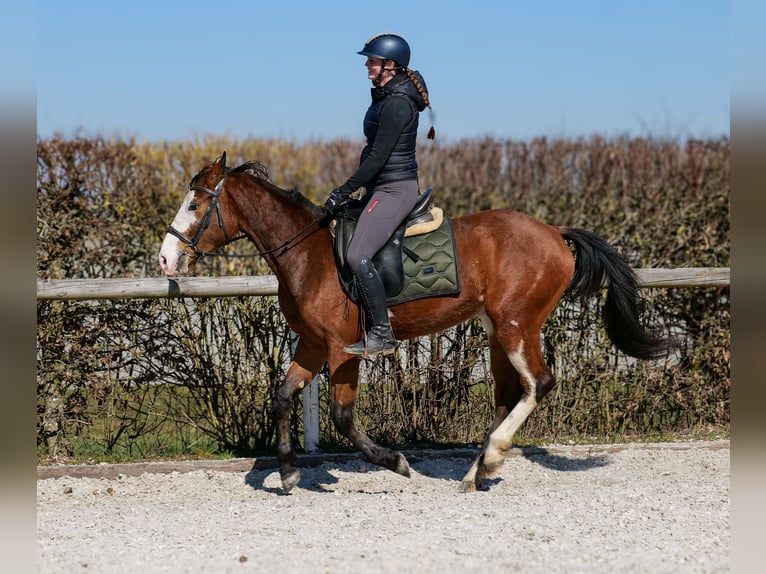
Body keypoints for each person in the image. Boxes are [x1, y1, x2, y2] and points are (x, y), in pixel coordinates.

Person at [325, 32, 433, 358]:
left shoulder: (398, 103)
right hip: (380, 188)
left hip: (395, 189)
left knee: (357, 255)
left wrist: (343, 191)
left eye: (371, 60)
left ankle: (382, 334)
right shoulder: (387, 95)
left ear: (390, 65)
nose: (367, 66)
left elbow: (378, 158)